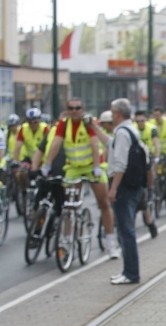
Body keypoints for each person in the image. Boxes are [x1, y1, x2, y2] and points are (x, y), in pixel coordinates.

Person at [41, 97, 119, 259]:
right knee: (69, 206)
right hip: (74, 168)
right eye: (71, 108)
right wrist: (47, 163)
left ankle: (111, 244)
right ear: (67, 110)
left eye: (77, 108)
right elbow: (56, 143)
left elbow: (94, 143)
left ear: (82, 109)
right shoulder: (63, 124)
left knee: (103, 203)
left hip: (93, 166)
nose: (74, 111)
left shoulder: (88, 122)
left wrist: (97, 166)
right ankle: (67, 240)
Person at [93, 110, 157, 238]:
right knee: (119, 210)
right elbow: (106, 148)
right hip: (113, 174)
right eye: (103, 124)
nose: (105, 126)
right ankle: (116, 229)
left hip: (129, 178)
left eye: (106, 124)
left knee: (142, 204)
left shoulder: (122, 133)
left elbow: (122, 163)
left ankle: (150, 224)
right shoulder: (114, 133)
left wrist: (149, 185)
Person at [106, 98, 146, 285]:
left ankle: (131, 273)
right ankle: (127, 271)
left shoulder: (122, 133)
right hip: (134, 185)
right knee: (125, 230)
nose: (111, 115)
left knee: (126, 231)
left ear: (118, 113)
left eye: (112, 112)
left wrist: (114, 188)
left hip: (124, 187)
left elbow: (120, 164)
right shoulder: (131, 130)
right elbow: (109, 144)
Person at [14, 108, 50, 193]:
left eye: (35, 122)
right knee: (20, 174)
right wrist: (15, 161)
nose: (33, 124)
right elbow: (17, 146)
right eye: (30, 122)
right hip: (29, 158)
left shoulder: (45, 129)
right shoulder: (23, 129)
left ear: (39, 120)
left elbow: (49, 145)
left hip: (42, 159)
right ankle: (24, 191)